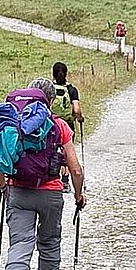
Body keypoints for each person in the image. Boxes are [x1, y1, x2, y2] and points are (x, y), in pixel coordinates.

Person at [0, 78, 86, 270]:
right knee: (49, 241)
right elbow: (75, 169)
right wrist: (79, 195)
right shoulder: (58, 125)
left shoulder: (15, 122)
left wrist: (4, 188)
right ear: (51, 100)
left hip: (19, 190)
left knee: (20, 243)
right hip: (51, 192)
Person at [50, 62, 84, 194]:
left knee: (51, 149)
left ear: (53, 73)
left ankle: (52, 177)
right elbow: (76, 109)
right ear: (66, 73)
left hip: (51, 124)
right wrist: (80, 118)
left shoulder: (49, 88)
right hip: (67, 126)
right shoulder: (72, 90)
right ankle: (64, 181)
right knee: (66, 151)